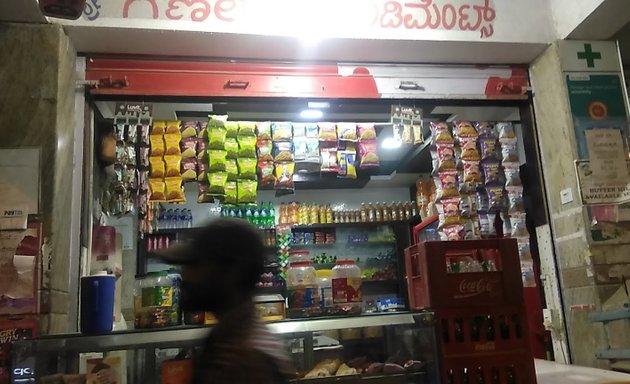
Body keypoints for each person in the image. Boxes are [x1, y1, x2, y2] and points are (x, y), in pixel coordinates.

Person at [158, 218, 293, 384]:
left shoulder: (247, 362)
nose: (185, 276)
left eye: (195, 265)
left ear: (232, 272)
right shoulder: (227, 338)